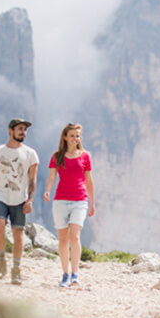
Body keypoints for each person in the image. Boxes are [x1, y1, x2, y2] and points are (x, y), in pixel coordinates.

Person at [0, 118, 39, 285]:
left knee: (18, 233)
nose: (23, 132)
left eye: (25, 129)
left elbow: (32, 180)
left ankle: (16, 268)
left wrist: (30, 200)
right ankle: (1, 262)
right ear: (10, 130)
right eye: (20, 129)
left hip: (20, 198)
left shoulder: (31, 154)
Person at [43, 123, 95, 288]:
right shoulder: (57, 156)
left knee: (75, 235)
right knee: (63, 239)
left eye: (77, 136)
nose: (75, 139)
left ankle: (75, 274)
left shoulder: (85, 156)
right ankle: (65, 274)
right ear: (65, 137)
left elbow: (89, 180)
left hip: (80, 200)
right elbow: (52, 176)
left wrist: (92, 202)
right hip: (61, 200)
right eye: (72, 135)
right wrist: (47, 190)